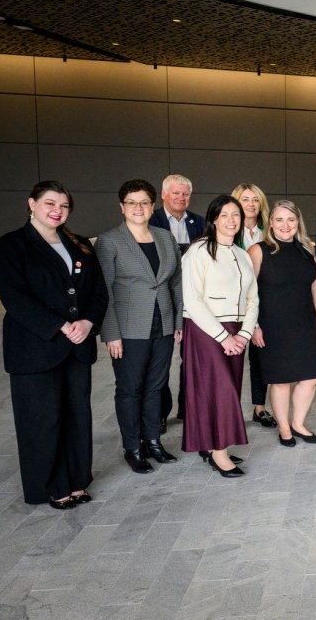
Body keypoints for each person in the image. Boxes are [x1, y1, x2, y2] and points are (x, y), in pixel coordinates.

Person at [0, 181, 108, 509]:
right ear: (31, 204)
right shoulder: (10, 246)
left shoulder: (80, 244)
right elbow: (15, 298)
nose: (57, 210)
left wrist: (88, 323)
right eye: (49, 203)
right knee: (42, 420)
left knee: (75, 416)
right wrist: (60, 325)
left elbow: (98, 292)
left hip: (77, 344)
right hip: (35, 347)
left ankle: (75, 480)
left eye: (63, 205)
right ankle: (52, 486)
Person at [95, 179, 183, 475]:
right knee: (130, 389)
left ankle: (153, 442)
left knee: (156, 387)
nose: (138, 208)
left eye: (144, 202)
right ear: (122, 207)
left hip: (164, 325)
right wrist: (111, 333)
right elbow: (103, 290)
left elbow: (175, 282)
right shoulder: (109, 241)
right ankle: (132, 447)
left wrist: (178, 321)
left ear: (153, 205)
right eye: (131, 203)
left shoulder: (164, 237)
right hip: (128, 331)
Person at [181, 195, 259, 477]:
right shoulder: (198, 252)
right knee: (219, 390)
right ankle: (218, 453)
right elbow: (192, 300)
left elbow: (253, 299)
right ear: (213, 218)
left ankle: (216, 444)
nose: (231, 220)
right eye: (225, 214)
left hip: (237, 331)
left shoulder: (242, 254)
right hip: (206, 330)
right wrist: (223, 337)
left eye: (236, 215)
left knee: (230, 390)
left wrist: (245, 333)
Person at [248, 200, 316, 446]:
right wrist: (254, 325)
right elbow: (247, 293)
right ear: (270, 222)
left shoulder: (308, 251)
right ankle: (284, 428)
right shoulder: (258, 251)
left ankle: (298, 423)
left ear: (298, 222)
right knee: (281, 381)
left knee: (310, 378)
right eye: (279, 219)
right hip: (272, 325)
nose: (285, 225)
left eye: (291, 220)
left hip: (304, 322)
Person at [150, 174, 205, 431]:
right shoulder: (151, 221)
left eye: (185, 194)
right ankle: (160, 412)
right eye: (176, 193)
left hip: (192, 300)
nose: (181, 198)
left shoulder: (200, 222)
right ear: (163, 195)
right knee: (160, 360)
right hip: (161, 300)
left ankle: (188, 406)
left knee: (191, 358)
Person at [231, 182, 276, 429]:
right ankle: (231, 409)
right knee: (234, 357)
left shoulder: (268, 232)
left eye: (255, 200)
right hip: (235, 304)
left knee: (260, 357)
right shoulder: (229, 232)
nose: (250, 204)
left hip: (263, 302)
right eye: (245, 199)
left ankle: (260, 408)